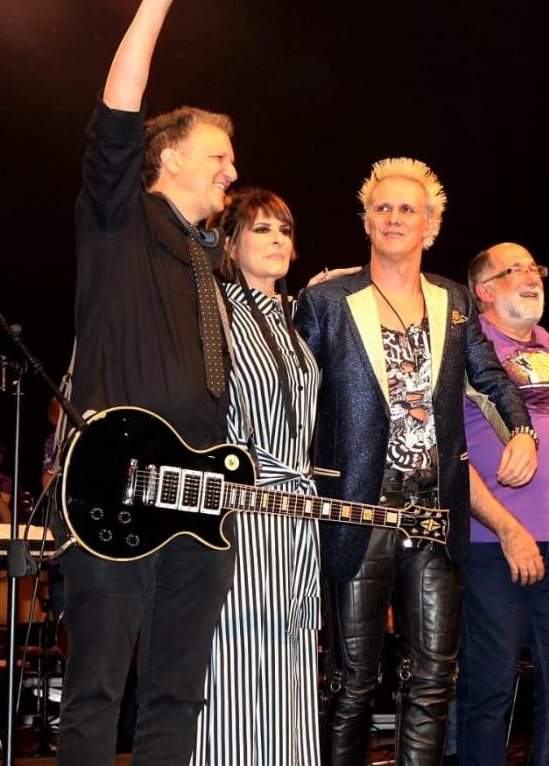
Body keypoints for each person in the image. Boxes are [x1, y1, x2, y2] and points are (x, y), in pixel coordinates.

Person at [58, 0, 239, 766]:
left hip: (198, 494)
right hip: (111, 481)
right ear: (167, 159)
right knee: (97, 686)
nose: (232, 171)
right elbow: (116, 115)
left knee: (178, 688)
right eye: (219, 156)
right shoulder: (119, 216)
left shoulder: (208, 256)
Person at [295, 158, 537, 766]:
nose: (395, 217)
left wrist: (523, 431)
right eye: (383, 208)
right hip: (358, 504)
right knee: (351, 680)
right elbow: (292, 397)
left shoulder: (454, 299)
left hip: (435, 510)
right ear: (367, 221)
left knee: (433, 678)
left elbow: (492, 377)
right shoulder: (327, 300)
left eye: (409, 209)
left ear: (431, 224)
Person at [455, 243, 549, 766]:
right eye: (515, 269)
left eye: (536, 267)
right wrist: (508, 530)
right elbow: (447, 450)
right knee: (489, 693)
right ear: (486, 290)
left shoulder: (544, 343)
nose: (533, 276)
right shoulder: (468, 345)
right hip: (494, 544)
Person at [191, 188, 323, 764]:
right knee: (237, 658)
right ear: (230, 241)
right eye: (262, 229)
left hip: (297, 513)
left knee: (292, 656)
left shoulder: (295, 326)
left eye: (284, 231)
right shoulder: (213, 310)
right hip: (239, 508)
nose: (277, 240)